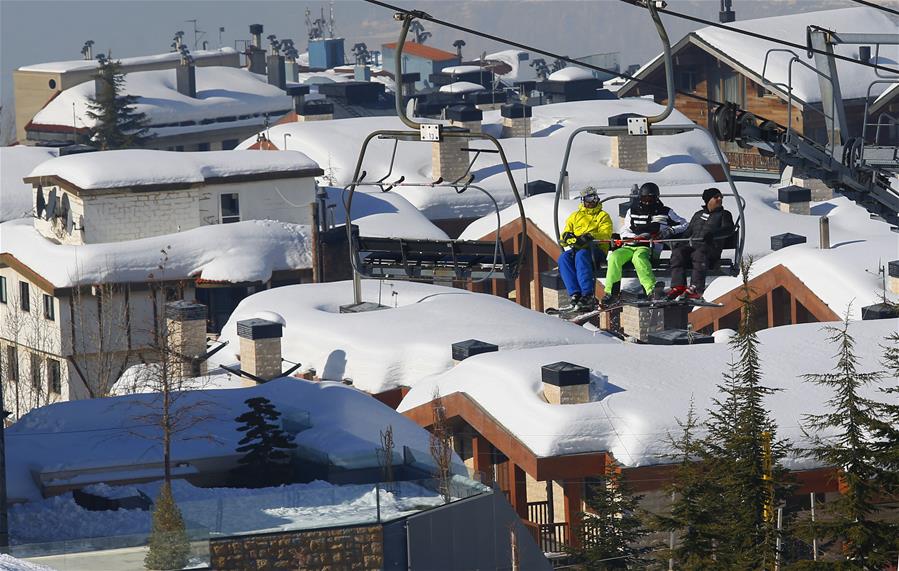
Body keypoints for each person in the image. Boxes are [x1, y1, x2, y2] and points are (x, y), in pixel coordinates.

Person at [603, 182, 687, 303]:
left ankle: (651, 290)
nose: (647, 202)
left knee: (639, 257)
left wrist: (670, 231)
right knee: (615, 257)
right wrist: (632, 237)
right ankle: (612, 292)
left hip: (649, 247)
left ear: (656, 198)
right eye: (644, 198)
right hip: (630, 245)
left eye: (650, 198)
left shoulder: (665, 211)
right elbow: (625, 228)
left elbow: (684, 224)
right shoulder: (632, 211)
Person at [667, 187, 735, 299]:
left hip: (711, 249)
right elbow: (688, 231)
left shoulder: (724, 214)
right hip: (694, 248)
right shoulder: (698, 215)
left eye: (721, 197)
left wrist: (713, 234)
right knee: (678, 253)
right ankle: (678, 286)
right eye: (716, 196)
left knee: (699, 254)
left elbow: (728, 229)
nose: (720, 199)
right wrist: (680, 242)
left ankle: (696, 288)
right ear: (708, 200)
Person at [557, 187, 614, 311]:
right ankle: (575, 294)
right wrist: (567, 236)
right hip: (578, 248)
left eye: (594, 197)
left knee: (582, 255)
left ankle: (587, 295)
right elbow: (566, 231)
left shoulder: (602, 216)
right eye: (588, 198)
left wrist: (590, 236)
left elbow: (606, 233)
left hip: (596, 250)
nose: (592, 201)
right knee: (564, 258)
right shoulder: (575, 216)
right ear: (583, 200)